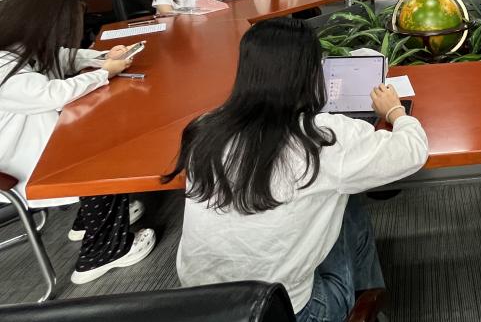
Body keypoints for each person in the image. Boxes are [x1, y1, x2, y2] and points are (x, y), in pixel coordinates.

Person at [164, 18, 428, 321]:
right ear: (311, 74)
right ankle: (365, 299)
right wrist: (394, 110)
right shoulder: (321, 139)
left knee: (334, 193)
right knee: (346, 200)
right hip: (288, 312)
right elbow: (413, 150)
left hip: (199, 309)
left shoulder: (204, 130)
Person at [0, 0, 156, 284]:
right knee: (100, 155)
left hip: (37, 141)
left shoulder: (17, 46)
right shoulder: (3, 67)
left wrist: (102, 57)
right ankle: (101, 253)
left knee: (100, 137)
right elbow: (51, 94)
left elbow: (62, 56)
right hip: (17, 163)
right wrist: (104, 73)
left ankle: (90, 220)